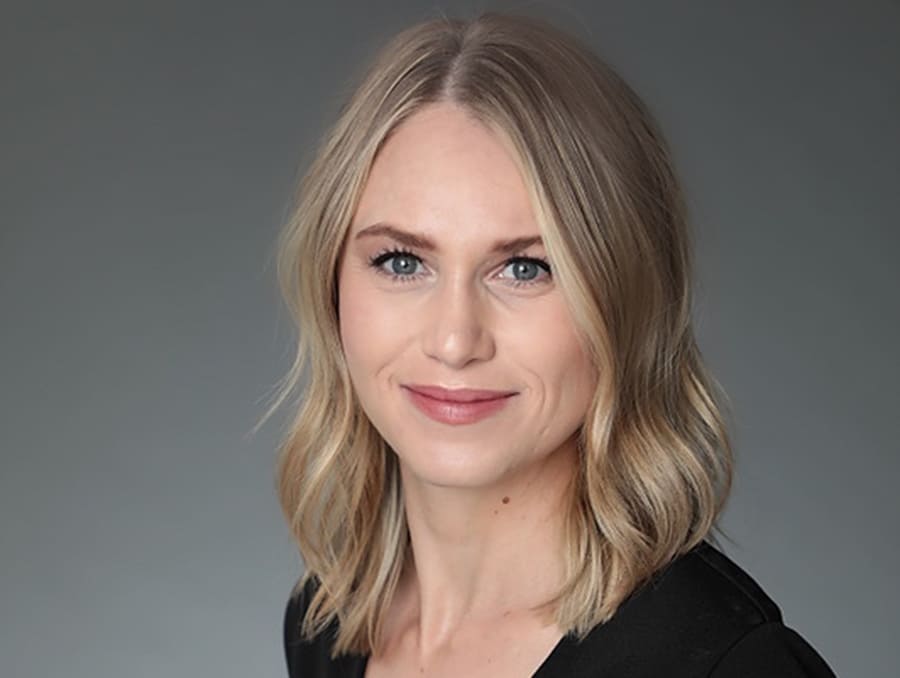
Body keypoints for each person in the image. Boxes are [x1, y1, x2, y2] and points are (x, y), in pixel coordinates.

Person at [270, 11, 837, 677]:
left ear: (626, 301)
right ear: (330, 284)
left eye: (525, 268)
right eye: (401, 262)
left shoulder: (729, 666)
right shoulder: (330, 626)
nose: (455, 341)